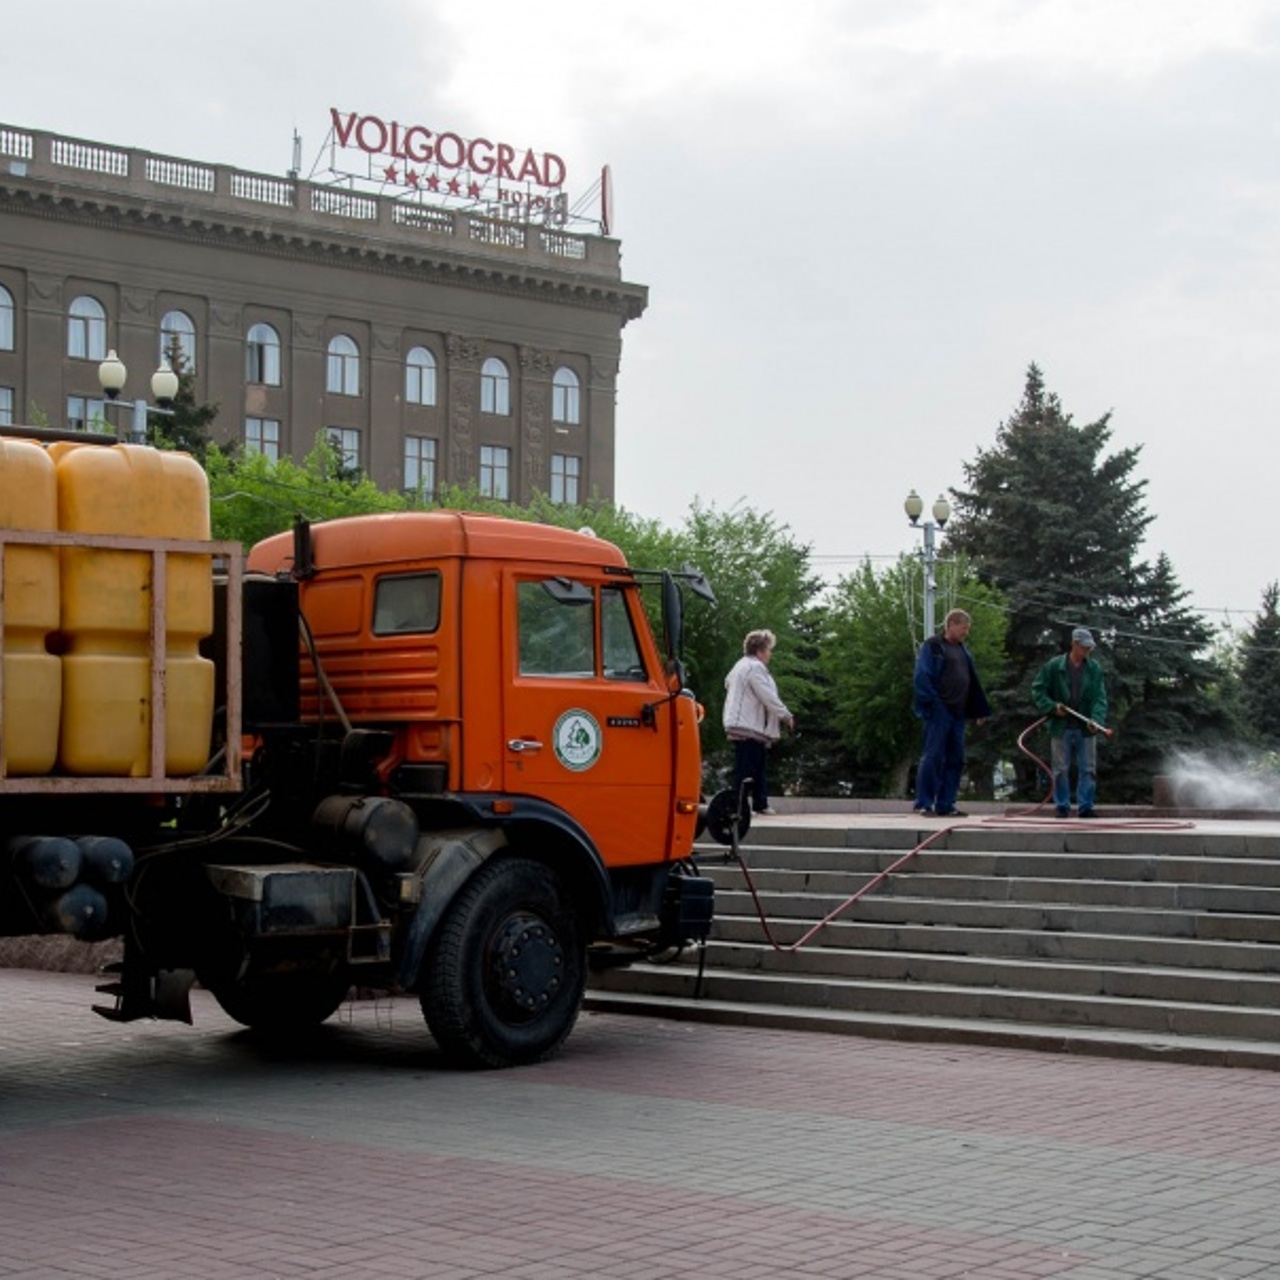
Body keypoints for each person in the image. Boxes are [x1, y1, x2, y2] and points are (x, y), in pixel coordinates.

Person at [912, 608, 991, 817]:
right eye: (964, 628)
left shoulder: (964, 651)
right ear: (952, 624)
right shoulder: (934, 647)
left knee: (956, 758)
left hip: (958, 712)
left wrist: (978, 710)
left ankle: (946, 803)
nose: (966, 633)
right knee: (933, 756)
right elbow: (922, 677)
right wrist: (934, 703)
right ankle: (924, 803)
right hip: (940, 710)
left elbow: (972, 682)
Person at [1031, 627, 1109, 818]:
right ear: (1074, 644)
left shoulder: (1094, 668)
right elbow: (1038, 691)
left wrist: (1096, 720)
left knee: (1088, 769)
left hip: (1085, 728)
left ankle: (1086, 807)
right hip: (1061, 727)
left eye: (1089, 648)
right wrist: (1052, 708)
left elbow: (1100, 698)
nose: (1087, 651)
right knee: (1060, 769)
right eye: (1084, 647)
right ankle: (1062, 806)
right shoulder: (1054, 666)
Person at [723, 629, 795, 816]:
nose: (770, 654)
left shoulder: (740, 665)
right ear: (760, 650)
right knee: (748, 767)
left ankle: (759, 802)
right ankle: (741, 805)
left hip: (742, 723)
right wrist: (785, 715)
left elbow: (727, 683)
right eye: (769, 649)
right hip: (748, 725)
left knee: (756, 764)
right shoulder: (755, 668)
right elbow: (768, 696)